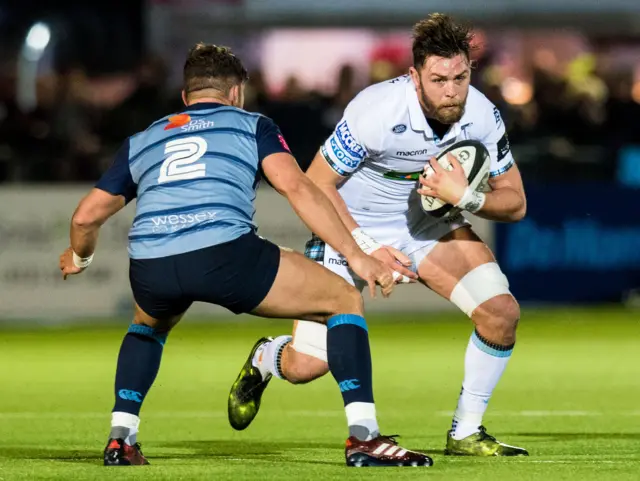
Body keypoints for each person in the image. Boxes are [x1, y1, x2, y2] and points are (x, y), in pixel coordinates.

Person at [58, 43, 432, 468]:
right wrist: (357, 255)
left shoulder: (143, 139)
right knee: (342, 298)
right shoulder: (251, 124)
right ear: (236, 92)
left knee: (147, 325)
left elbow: (86, 218)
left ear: (186, 96)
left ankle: (121, 440)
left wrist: (80, 258)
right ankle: (364, 438)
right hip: (223, 255)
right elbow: (297, 187)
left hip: (151, 263)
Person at [229, 13, 529, 457]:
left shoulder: (482, 114)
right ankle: (266, 358)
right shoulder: (377, 111)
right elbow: (316, 183)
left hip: (428, 227)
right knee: (308, 366)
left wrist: (465, 197)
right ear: (414, 76)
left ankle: (466, 432)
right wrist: (364, 249)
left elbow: (516, 202)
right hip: (350, 228)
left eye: (461, 77)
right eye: (439, 78)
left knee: (501, 315)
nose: (452, 90)